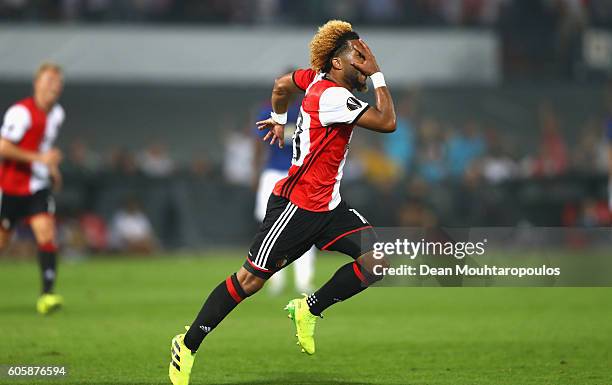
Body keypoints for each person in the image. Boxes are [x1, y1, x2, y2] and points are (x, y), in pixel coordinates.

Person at [169, 20, 396, 385]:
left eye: (368, 55)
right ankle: (188, 343)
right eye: (360, 56)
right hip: (297, 207)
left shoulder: (314, 78)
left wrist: (277, 118)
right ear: (338, 64)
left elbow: (280, 86)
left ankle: (308, 308)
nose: (366, 62)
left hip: (330, 207)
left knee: (377, 260)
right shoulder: (333, 97)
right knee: (249, 281)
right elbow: (387, 122)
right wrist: (380, 75)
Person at [0, 62, 65, 314]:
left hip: (37, 186)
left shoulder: (57, 114)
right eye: (49, 80)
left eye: (58, 82)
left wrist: (51, 169)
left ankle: (47, 295)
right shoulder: (21, 113)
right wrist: (41, 160)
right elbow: (3, 148)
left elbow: (43, 148)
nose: (54, 86)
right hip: (10, 187)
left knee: (46, 231)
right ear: (36, 83)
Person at [252, 98, 315, 295]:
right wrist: (255, 171)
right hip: (273, 173)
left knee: (307, 225)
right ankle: (273, 279)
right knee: (269, 226)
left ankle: (303, 280)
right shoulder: (267, 112)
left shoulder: (306, 110)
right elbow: (258, 144)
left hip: (297, 173)